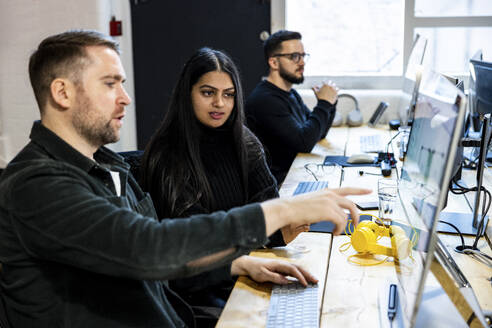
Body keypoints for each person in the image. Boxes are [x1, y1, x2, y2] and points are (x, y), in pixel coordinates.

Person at [0, 30, 369, 328]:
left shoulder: (110, 168)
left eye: (122, 83)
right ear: (62, 92)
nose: (126, 98)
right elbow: (147, 247)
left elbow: (162, 260)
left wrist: (236, 264)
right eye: (110, 84)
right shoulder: (36, 184)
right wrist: (282, 210)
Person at [140, 47, 310, 321]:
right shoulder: (168, 156)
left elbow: (267, 212)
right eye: (208, 93)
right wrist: (253, 250)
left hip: (245, 271)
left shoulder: (244, 140)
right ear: (188, 94)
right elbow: (191, 251)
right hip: (201, 293)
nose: (220, 103)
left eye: (228, 95)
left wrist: (286, 227)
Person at [246, 30, 339, 185]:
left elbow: (318, 133)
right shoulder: (265, 100)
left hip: (296, 172)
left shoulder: (290, 93)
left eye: (303, 56)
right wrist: (324, 104)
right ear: (274, 62)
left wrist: (330, 103)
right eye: (294, 56)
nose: (302, 62)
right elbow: (305, 144)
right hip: (279, 185)